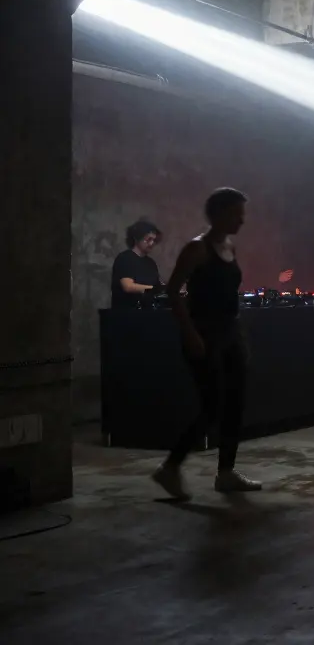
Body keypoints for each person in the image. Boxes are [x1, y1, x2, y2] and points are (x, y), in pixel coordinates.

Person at [150, 188, 258, 499]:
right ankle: (169, 468)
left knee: (235, 402)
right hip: (205, 334)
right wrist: (190, 333)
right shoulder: (197, 249)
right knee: (213, 406)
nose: (242, 219)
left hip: (230, 333)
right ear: (218, 214)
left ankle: (226, 473)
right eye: (237, 213)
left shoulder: (230, 247)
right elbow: (172, 291)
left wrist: (237, 334)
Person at [111, 219, 163, 309]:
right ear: (136, 238)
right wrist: (154, 289)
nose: (152, 243)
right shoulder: (125, 258)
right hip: (126, 315)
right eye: (148, 239)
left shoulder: (151, 263)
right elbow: (128, 286)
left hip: (145, 313)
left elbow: (157, 286)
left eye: (154, 240)